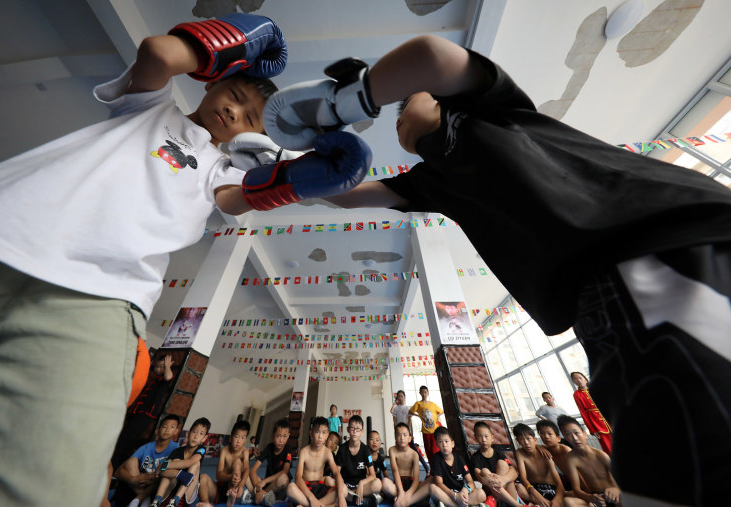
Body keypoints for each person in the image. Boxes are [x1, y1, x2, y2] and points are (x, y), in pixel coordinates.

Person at [263, 33, 731, 505]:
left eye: (407, 102)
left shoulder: (491, 111)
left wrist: (346, 101)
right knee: (664, 472)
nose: (400, 114)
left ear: (443, 99)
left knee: (691, 459)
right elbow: (348, 194)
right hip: (602, 298)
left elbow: (430, 55)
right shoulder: (432, 182)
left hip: (657, 250)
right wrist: (285, 169)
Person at [0, 12, 372, 505]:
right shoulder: (150, 108)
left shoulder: (221, 175)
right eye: (236, 95)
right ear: (212, 84)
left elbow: (241, 198)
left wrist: (300, 181)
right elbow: (159, 55)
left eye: (250, 117)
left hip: (101, 298)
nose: (236, 112)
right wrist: (241, 36)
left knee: (52, 485)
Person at [112, 354, 176, 471]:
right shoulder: (154, 379)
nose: (158, 369)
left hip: (145, 415)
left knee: (124, 441)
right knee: (127, 441)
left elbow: (168, 376)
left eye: (161, 367)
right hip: (137, 412)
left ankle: (115, 467)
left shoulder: (164, 380)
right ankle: (120, 468)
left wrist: (167, 366)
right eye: (157, 366)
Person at [113, 415, 182, 507]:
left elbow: (176, 471)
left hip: (159, 485)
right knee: (131, 462)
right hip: (141, 483)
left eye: (172, 427)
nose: (167, 430)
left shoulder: (176, 448)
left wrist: (156, 475)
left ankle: (140, 498)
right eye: (164, 426)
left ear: (176, 431)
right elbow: (118, 472)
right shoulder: (146, 447)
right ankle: (145, 499)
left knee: (168, 474)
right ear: (157, 430)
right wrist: (133, 479)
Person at [558, 416, 621, 507]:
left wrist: (616, 488)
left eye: (577, 433)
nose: (574, 438)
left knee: (623, 500)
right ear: (564, 437)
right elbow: (576, 489)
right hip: (595, 497)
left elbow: (621, 480)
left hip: (612, 494)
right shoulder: (570, 459)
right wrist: (591, 498)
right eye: (568, 434)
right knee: (568, 502)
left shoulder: (601, 456)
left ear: (585, 434)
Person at [148, 417, 210, 507]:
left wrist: (164, 465)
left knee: (196, 463)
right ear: (188, 434)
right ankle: (157, 500)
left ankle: (176, 499)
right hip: (171, 488)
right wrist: (167, 467)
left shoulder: (201, 450)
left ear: (204, 438)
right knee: (171, 467)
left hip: (186, 491)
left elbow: (188, 463)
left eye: (200, 434)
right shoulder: (177, 451)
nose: (196, 436)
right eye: (194, 432)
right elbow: (161, 472)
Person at [286, 416, 343, 507]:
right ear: (311, 433)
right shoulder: (304, 452)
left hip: (320, 487)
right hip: (306, 488)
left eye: (324, 433)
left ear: (327, 435)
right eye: (317, 432)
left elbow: (336, 472)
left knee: (343, 489)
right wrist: (311, 498)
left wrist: (341, 495)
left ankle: (308, 505)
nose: (320, 436)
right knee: (290, 488)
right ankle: (325, 505)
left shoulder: (327, 453)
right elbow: (298, 478)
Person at [198, 420, 251, 507]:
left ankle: (232, 493)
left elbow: (246, 469)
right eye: (237, 437)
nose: (239, 441)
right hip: (219, 490)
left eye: (243, 438)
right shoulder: (224, 451)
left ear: (245, 439)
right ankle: (206, 503)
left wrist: (241, 485)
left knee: (238, 462)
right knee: (202, 478)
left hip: (234, 488)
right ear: (231, 437)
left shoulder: (244, 451)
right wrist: (230, 476)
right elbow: (218, 475)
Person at [428, 426, 486, 507]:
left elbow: (470, 482)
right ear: (437, 444)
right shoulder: (436, 458)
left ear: (452, 444)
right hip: (446, 495)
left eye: (446, 441)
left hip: (460, 493)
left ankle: (458, 504)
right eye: (440, 442)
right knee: (432, 488)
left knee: (481, 493)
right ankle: (459, 505)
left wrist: (465, 490)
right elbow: (439, 483)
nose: (444, 445)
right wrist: (454, 496)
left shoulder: (459, 459)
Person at [380, 423, 431, 507]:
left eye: (404, 435)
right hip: (398, 484)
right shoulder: (392, 450)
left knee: (431, 480)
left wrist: (408, 494)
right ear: (395, 437)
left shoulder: (414, 454)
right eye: (399, 435)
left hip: (412, 486)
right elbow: (395, 471)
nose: (402, 438)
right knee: (385, 482)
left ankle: (404, 501)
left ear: (410, 438)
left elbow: (416, 479)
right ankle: (411, 499)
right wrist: (401, 492)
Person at [513, 424, 564, 507]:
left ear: (535, 440)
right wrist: (533, 491)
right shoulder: (519, 453)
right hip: (533, 487)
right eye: (521, 439)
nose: (526, 443)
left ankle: (538, 503)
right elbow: (523, 478)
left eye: (528, 439)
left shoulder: (545, 453)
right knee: (519, 488)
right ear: (518, 441)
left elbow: (559, 484)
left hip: (550, 487)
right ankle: (537, 503)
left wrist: (557, 500)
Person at [470, 422, 520, 507]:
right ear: (475, 438)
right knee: (485, 471)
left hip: (509, 493)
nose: (484, 440)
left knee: (503, 464)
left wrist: (502, 479)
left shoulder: (499, 454)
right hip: (491, 492)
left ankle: (507, 502)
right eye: (480, 436)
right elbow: (479, 476)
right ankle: (516, 505)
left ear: (492, 438)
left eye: (486, 436)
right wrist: (493, 481)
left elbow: (514, 473)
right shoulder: (476, 457)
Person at [335, 414, 381, 504]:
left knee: (377, 483)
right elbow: (337, 473)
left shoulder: (365, 450)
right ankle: (360, 499)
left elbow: (373, 475)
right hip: (346, 486)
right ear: (348, 430)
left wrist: (361, 483)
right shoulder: (342, 449)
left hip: (361, 486)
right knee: (330, 481)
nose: (355, 431)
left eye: (358, 429)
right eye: (352, 428)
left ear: (362, 432)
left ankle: (352, 498)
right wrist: (342, 486)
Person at [248, 418, 292, 506]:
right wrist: (257, 486)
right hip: (267, 486)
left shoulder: (288, 448)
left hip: (279, 489)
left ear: (288, 436)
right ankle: (261, 496)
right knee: (245, 472)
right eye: (278, 436)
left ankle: (259, 496)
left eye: (284, 436)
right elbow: (252, 470)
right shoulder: (269, 447)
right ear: (273, 435)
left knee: (283, 478)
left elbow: (285, 471)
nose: (281, 440)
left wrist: (264, 482)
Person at [570, 372, 612, 456]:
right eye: (575, 379)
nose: (578, 380)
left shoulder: (595, 388)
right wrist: (592, 429)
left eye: (580, 378)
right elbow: (583, 412)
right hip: (596, 422)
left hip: (608, 418)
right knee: (608, 446)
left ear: (585, 379)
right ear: (574, 382)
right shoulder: (577, 394)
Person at [535, 420, 582, 492]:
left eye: (550, 434)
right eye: (542, 433)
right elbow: (534, 446)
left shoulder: (566, 450)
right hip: (568, 481)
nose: (546, 437)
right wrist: (538, 446)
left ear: (558, 438)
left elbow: (580, 473)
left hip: (580, 482)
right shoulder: (546, 449)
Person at [407, 386, 444, 464]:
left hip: (435, 431)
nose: (424, 394)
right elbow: (410, 411)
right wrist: (418, 415)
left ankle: (438, 466)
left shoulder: (432, 404)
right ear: (420, 393)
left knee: (435, 450)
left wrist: (437, 416)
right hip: (425, 431)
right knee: (428, 451)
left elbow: (441, 411)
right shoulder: (418, 404)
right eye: (422, 392)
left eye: (425, 392)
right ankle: (432, 469)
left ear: (428, 393)